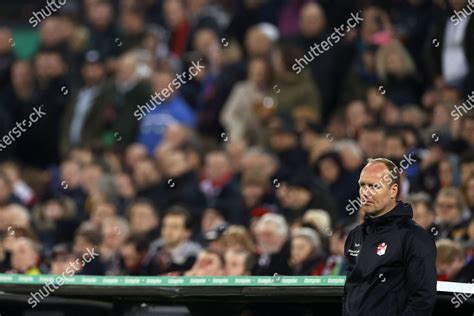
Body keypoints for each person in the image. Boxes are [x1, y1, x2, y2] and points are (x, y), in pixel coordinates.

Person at [343, 158, 436, 315]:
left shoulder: (414, 237)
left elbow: (422, 300)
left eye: (374, 186)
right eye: (362, 185)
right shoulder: (355, 236)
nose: (366, 192)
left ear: (393, 191)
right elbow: (349, 291)